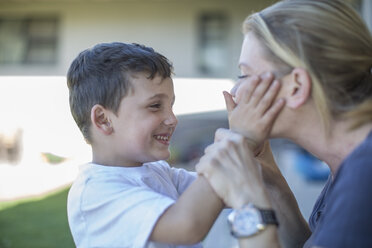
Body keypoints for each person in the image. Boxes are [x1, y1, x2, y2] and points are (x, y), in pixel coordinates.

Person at [66, 42, 282, 247]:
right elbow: (187, 225)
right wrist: (238, 139)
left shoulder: (159, 172)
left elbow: (226, 188)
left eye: (171, 105)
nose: (172, 118)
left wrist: (248, 143)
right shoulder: (96, 193)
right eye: (155, 106)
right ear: (104, 120)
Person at [196, 0, 372, 247]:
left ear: (297, 86)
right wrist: (269, 180)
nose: (235, 92)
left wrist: (246, 198)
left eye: (245, 75)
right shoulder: (346, 164)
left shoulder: (365, 173)